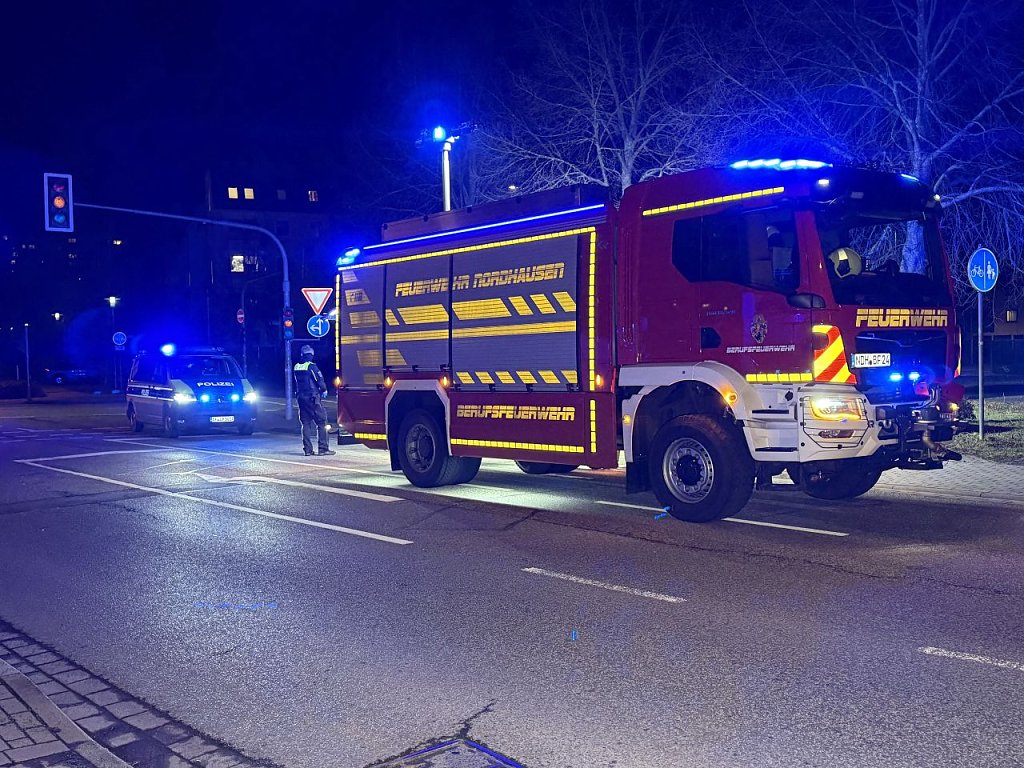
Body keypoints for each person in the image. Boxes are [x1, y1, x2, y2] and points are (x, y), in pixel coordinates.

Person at [292, 345, 335, 456]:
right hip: (312, 398)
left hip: (301, 398)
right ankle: (323, 449)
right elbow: (319, 380)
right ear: (311, 355)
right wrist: (324, 390)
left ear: (302, 354)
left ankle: (307, 450)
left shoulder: (297, 366)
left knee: (305, 423)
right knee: (322, 421)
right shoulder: (311, 366)